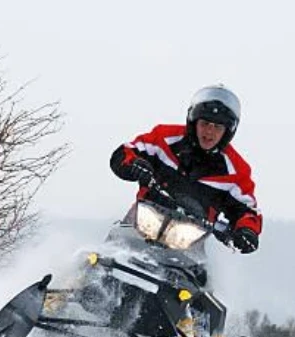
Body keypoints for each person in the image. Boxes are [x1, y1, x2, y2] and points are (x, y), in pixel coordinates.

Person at [109, 84, 261, 254]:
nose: (209, 132)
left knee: (201, 275)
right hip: (142, 220)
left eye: (217, 127)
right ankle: (84, 274)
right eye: (205, 123)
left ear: (227, 131)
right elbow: (127, 151)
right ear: (194, 122)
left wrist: (246, 230)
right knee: (108, 250)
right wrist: (134, 164)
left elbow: (247, 210)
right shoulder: (164, 139)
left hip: (190, 239)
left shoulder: (235, 171)